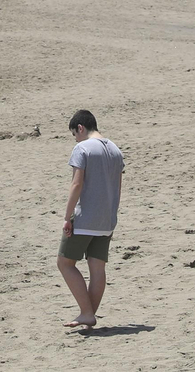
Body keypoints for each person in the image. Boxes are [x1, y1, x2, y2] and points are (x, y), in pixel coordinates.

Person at [58, 109, 124, 329]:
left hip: (86, 217)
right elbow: (118, 187)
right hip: (107, 219)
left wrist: (67, 217)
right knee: (97, 269)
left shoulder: (83, 147)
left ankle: (86, 312)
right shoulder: (116, 150)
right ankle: (88, 316)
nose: (75, 139)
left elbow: (76, 185)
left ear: (80, 128)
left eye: (74, 134)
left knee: (65, 263)